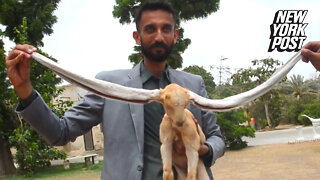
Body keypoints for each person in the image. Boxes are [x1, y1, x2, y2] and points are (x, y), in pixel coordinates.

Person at [5, 1, 225, 179]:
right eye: (150, 29)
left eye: (165, 29)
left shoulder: (194, 85)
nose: (159, 36)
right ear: (137, 37)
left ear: (175, 35)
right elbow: (60, 132)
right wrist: (24, 88)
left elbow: (216, 138)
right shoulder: (109, 86)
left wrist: (204, 149)